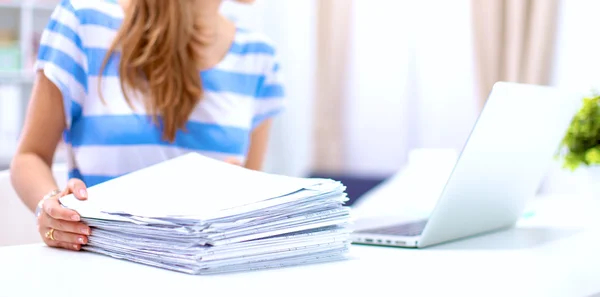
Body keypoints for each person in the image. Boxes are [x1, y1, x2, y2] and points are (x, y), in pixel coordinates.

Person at [10, 0, 284, 251]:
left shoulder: (259, 57)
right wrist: (51, 207)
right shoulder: (84, 22)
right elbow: (29, 156)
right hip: (103, 268)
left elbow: (250, 195)